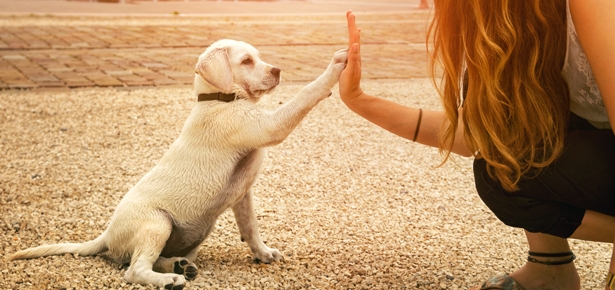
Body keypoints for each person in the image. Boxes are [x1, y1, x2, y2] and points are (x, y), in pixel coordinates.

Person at [339, 0, 615, 288]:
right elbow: (483, 138)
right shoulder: (504, 21)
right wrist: (360, 100)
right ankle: (550, 269)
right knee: (500, 173)